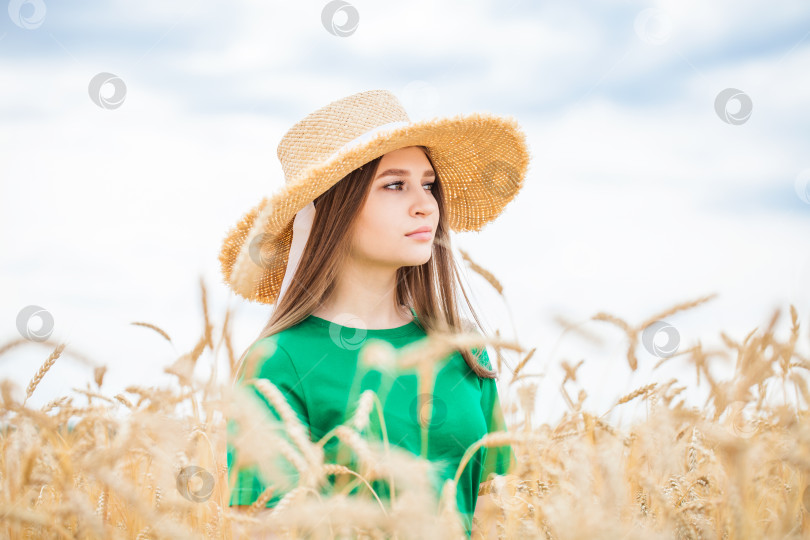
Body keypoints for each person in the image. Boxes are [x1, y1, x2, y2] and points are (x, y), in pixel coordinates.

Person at [220, 88, 531, 538]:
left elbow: (499, 514)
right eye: (394, 184)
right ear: (333, 209)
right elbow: (266, 527)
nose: (426, 204)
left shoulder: (464, 350)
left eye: (428, 183)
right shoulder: (278, 361)